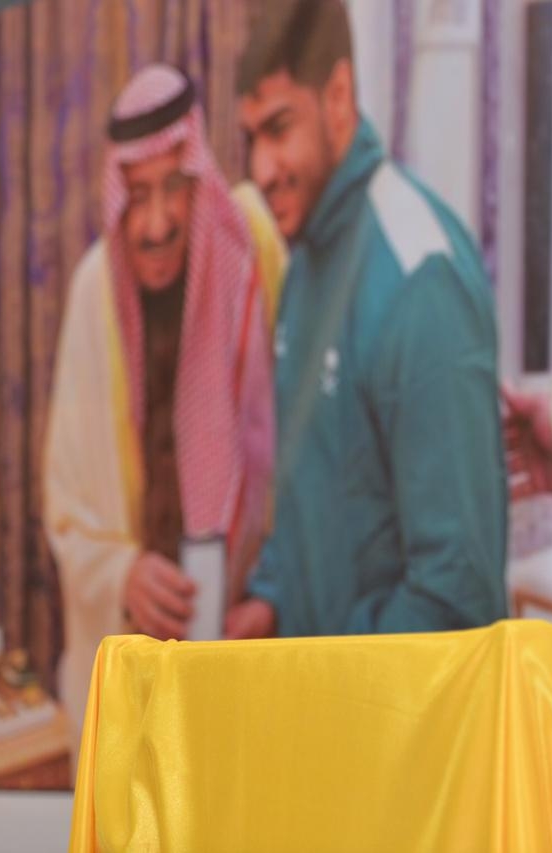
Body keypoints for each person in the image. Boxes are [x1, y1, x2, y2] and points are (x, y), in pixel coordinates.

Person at [224, 0, 507, 639]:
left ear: (338, 97)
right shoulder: (307, 257)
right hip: (328, 684)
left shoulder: (418, 277)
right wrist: (268, 604)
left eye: (279, 129)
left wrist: (331, 679)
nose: (260, 170)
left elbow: (454, 592)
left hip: (392, 698)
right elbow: (312, 491)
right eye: (251, 139)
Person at [44, 64, 285, 747]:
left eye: (173, 189)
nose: (155, 224)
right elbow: (66, 502)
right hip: (138, 653)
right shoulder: (95, 294)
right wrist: (122, 573)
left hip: (242, 633)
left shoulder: (250, 261)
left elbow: (303, 455)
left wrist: (273, 592)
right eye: (138, 194)